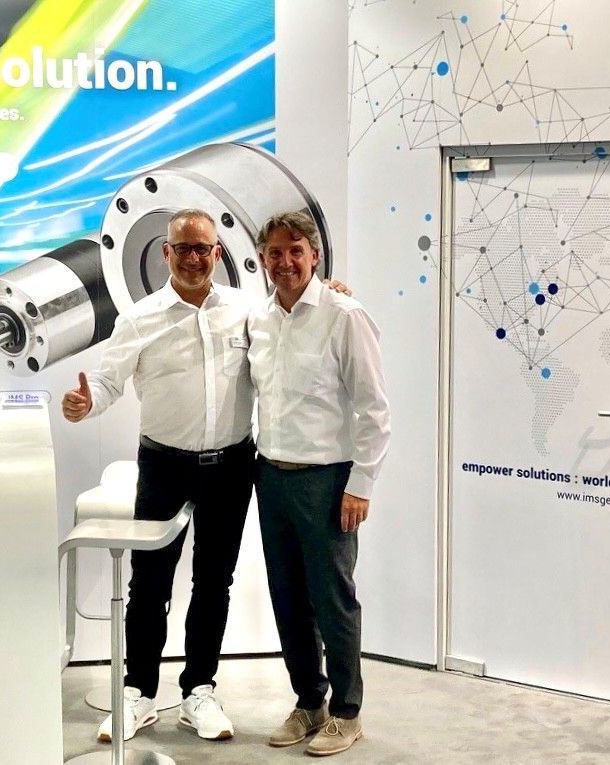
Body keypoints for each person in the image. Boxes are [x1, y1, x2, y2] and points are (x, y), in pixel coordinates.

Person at [62, 208, 350, 744]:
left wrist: (330, 290)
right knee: (149, 584)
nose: (194, 258)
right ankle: (138, 693)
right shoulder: (140, 318)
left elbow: (296, 308)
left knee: (214, 583)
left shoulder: (247, 310)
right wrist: (87, 401)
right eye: (183, 248)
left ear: (218, 253)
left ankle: (199, 690)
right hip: (164, 466)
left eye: (203, 248)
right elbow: (106, 381)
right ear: (166, 253)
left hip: (231, 467)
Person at [247, 211, 391, 757]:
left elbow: (374, 410)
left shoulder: (344, 315)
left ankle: (347, 713)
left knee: (333, 600)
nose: (285, 262)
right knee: (288, 598)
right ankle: (310, 702)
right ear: (262, 258)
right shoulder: (259, 318)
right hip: (270, 476)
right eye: (275, 252)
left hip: (327, 482)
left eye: (296, 250)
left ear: (315, 255)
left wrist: (361, 484)